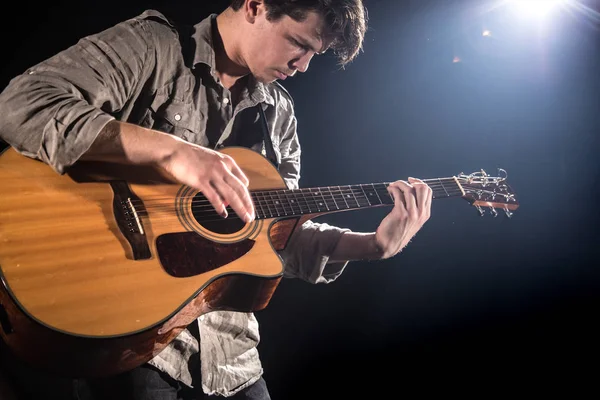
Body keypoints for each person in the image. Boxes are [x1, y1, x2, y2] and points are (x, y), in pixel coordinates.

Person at [0, 0, 433, 399]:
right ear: (255, 5)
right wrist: (174, 152)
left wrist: (371, 246)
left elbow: (275, 238)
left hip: (231, 357)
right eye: (299, 44)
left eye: (313, 56)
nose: (302, 66)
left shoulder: (279, 116)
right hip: (129, 333)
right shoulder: (154, 48)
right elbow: (22, 105)